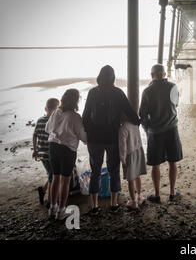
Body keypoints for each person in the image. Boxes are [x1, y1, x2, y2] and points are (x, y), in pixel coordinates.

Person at [82, 65, 140, 214]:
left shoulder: (93, 92)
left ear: (99, 77)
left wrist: (89, 133)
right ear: (113, 78)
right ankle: (114, 204)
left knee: (95, 171)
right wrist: (136, 122)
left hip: (95, 139)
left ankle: (95, 206)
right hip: (113, 138)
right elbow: (132, 114)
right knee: (114, 170)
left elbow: (85, 116)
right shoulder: (117, 93)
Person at [139, 64, 183, 203]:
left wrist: (147, 129)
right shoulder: (172, 87)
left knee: (155, 164)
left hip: (155, 132)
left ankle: (157, 194)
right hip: (171, 129)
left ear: (152, 75)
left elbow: (143, 114)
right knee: (172, 162)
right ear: (164, 74)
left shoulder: (147, 91)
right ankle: (172, 192)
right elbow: (175, 104)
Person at [45, 89, 87, 220]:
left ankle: (52, 208)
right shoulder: (75, 116)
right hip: (67, 150)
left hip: (53, 147)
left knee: (55, 178)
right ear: (76, 101)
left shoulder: (55, 112)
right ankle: (62, 210)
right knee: (65, 180)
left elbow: (47, 129)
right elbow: (84, 137)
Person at [32, 98, 60, 208]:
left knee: (51, 174)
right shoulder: (54, 121)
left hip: (42, 154)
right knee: (52, 175)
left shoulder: (39, 120)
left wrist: (35, 150)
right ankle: (50, 200)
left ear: (45, 108)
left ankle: (43, 190)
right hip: (50, 154)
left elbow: (35, 136)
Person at [118, 112, 147, 210]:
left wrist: (122, 159)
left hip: (129, 155)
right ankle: (139, 196)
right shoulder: (135, 125)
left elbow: (123, 147)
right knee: (137, 175)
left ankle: (133, 201)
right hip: (138, 151)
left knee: (130, 179)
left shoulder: (122, 129)